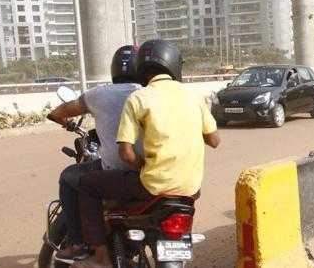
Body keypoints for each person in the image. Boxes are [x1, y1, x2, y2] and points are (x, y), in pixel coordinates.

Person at [73, 39, 220, 268]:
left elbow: (126, 154)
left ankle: (100, 256)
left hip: (153, 186)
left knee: (86, 184)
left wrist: (145, 165)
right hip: (190, 188)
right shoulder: (194, 96)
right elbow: (214, 140)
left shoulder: (139, 98)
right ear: (173, 65)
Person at [47, 45, 144, 263]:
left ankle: (77, 243)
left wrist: (59, 119)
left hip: (114, 174)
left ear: (114, 69)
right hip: (153, 172)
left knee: (67, 176)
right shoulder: (152, 94)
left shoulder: (99, 94)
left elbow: (62, 110)